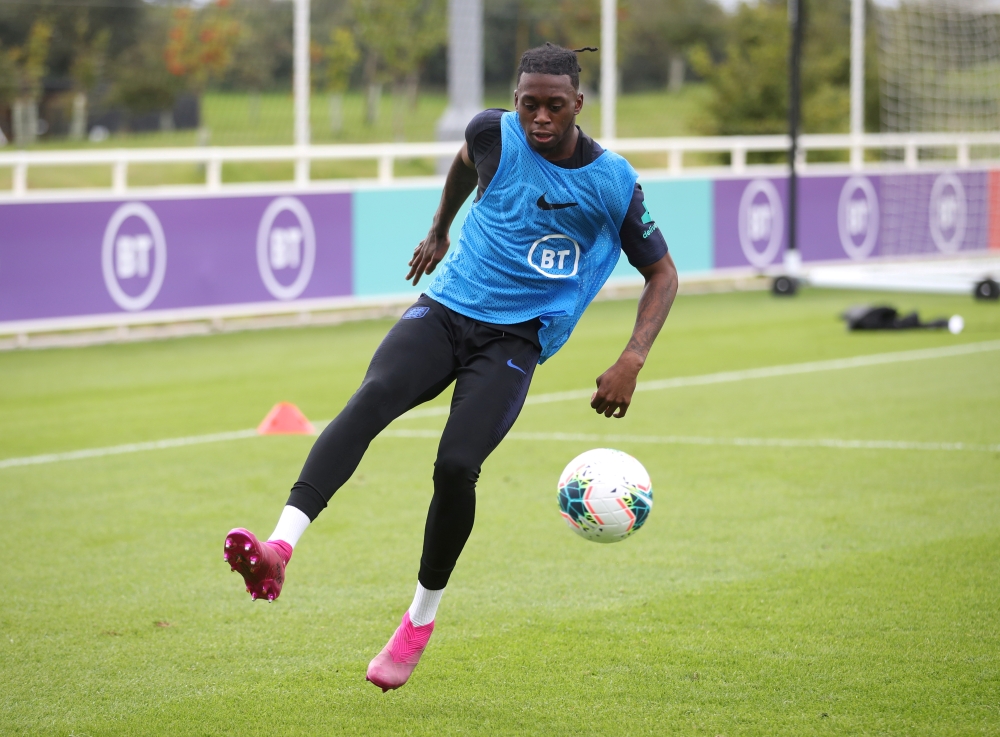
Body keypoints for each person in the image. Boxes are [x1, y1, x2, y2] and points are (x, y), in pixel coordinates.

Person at [223, 43, 678, 692]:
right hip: (445, 308)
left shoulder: (611, 182)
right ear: (514, 99)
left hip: (515, 341)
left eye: (554, 106)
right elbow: (466, 164)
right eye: (528, 104)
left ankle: (418, 622)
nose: (539, 118)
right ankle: (277, 549)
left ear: (578, 104)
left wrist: (633, 356)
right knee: (370, 400)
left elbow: (661, 272)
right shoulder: (493, 132)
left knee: (457, 464)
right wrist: (439, 228)